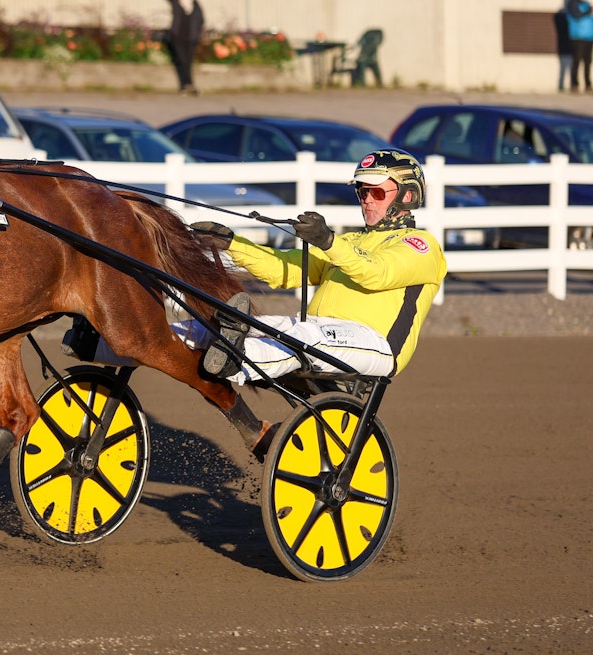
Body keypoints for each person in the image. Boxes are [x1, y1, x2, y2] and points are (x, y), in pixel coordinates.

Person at [73, 151, 447, 385]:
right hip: (326, 336)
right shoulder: (351, 243)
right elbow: (285, 271)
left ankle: (233, 360)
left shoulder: (421, 246)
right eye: (363, 192)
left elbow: (377, 273)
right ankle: (102, 346)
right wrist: (234, 243)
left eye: (377, 192)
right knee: (217, 326)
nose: (367, 200)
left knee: (292, 331)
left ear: (408, 197)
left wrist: (327, 242)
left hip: (375, 346)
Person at [167, 0, 204, 95]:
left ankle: (186, 85)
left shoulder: (195, 4)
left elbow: (201, 20)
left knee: (188, 61)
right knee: (182, 60)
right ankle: (190, 85)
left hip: (191, 38)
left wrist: (197, 33)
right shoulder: (175, 3)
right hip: (178, 37)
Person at [566, 0, 593, 92]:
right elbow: (576, 15)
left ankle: (588, 85)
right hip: (577, 37)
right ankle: (575, 84)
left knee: (588, 62)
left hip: (589, 37)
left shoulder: (587, 4)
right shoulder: (572, 3)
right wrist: (589, 10)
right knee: (577, 61)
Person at [556, 8, 574, 92]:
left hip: (571, 48)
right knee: (564, 68)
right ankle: (562, 86)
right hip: (564, 48)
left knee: (571, 69)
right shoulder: (561, 18)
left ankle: (571, 85)